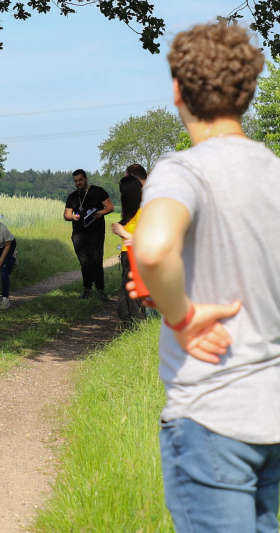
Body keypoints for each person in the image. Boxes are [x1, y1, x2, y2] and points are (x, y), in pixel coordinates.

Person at [129, 23, 280, 533]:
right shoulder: (273, 172)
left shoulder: (181, 170)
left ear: (177, 90)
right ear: (248, 90)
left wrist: (184, 315)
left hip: (211, 414)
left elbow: (152, 248)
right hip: (271, 414)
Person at [63, 169, 114, 300]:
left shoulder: (98, 191)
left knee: (96, 261)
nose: (78, 183)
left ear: (85, 178)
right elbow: (66, 214)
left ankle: (100, 290)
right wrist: (72, 217)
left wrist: (100, 214)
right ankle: (87, 290)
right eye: (75, 181)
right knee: (84, 263)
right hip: (79, 234)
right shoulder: (73, 196)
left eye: (80, 180)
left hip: (96, 232)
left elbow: (110, 207)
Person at [110, 175, 146, 326]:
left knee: (134, 296)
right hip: (127, 255)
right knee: (123, 304)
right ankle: (129, 326)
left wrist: (123, 232)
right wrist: (120, 231)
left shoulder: (142, 211)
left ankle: (139, 329)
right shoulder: (132, 212)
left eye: (123, 192)